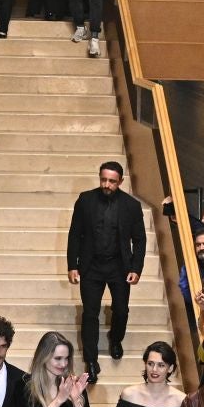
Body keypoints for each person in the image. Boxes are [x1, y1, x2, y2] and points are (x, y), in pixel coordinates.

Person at [65, 161, 146, 383]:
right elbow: (75, 234)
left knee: (121, 309)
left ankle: (116, 338)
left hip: (119, 267)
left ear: (120, 181)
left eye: (111, 181)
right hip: (91, 266)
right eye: (103, 179)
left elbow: (139, 240)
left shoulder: (131, 205)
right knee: (90, 313)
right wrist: (73, 265)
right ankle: (91, 360)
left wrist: (136, 268)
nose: (106, 184)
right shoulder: (85, 200)